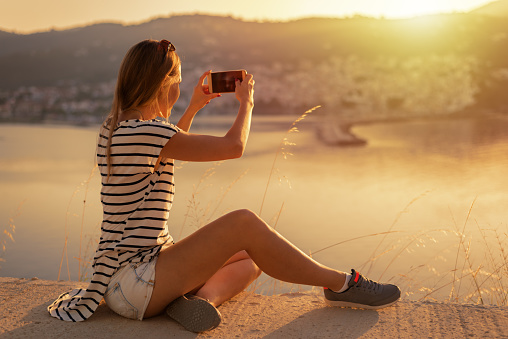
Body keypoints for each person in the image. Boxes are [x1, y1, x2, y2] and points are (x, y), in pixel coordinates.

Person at [48, 39, 400, 332]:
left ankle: (199, 303)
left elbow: (166, 147)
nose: (179, 88)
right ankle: (341, 283)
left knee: (255, 255)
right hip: (135, 283)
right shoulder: (148, 133)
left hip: (128, 278)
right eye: (178, 81)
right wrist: (246, 103)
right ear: (162, 83)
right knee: (244, 223)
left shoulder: (115, 128)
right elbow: (233, 148)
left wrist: (194, 107)